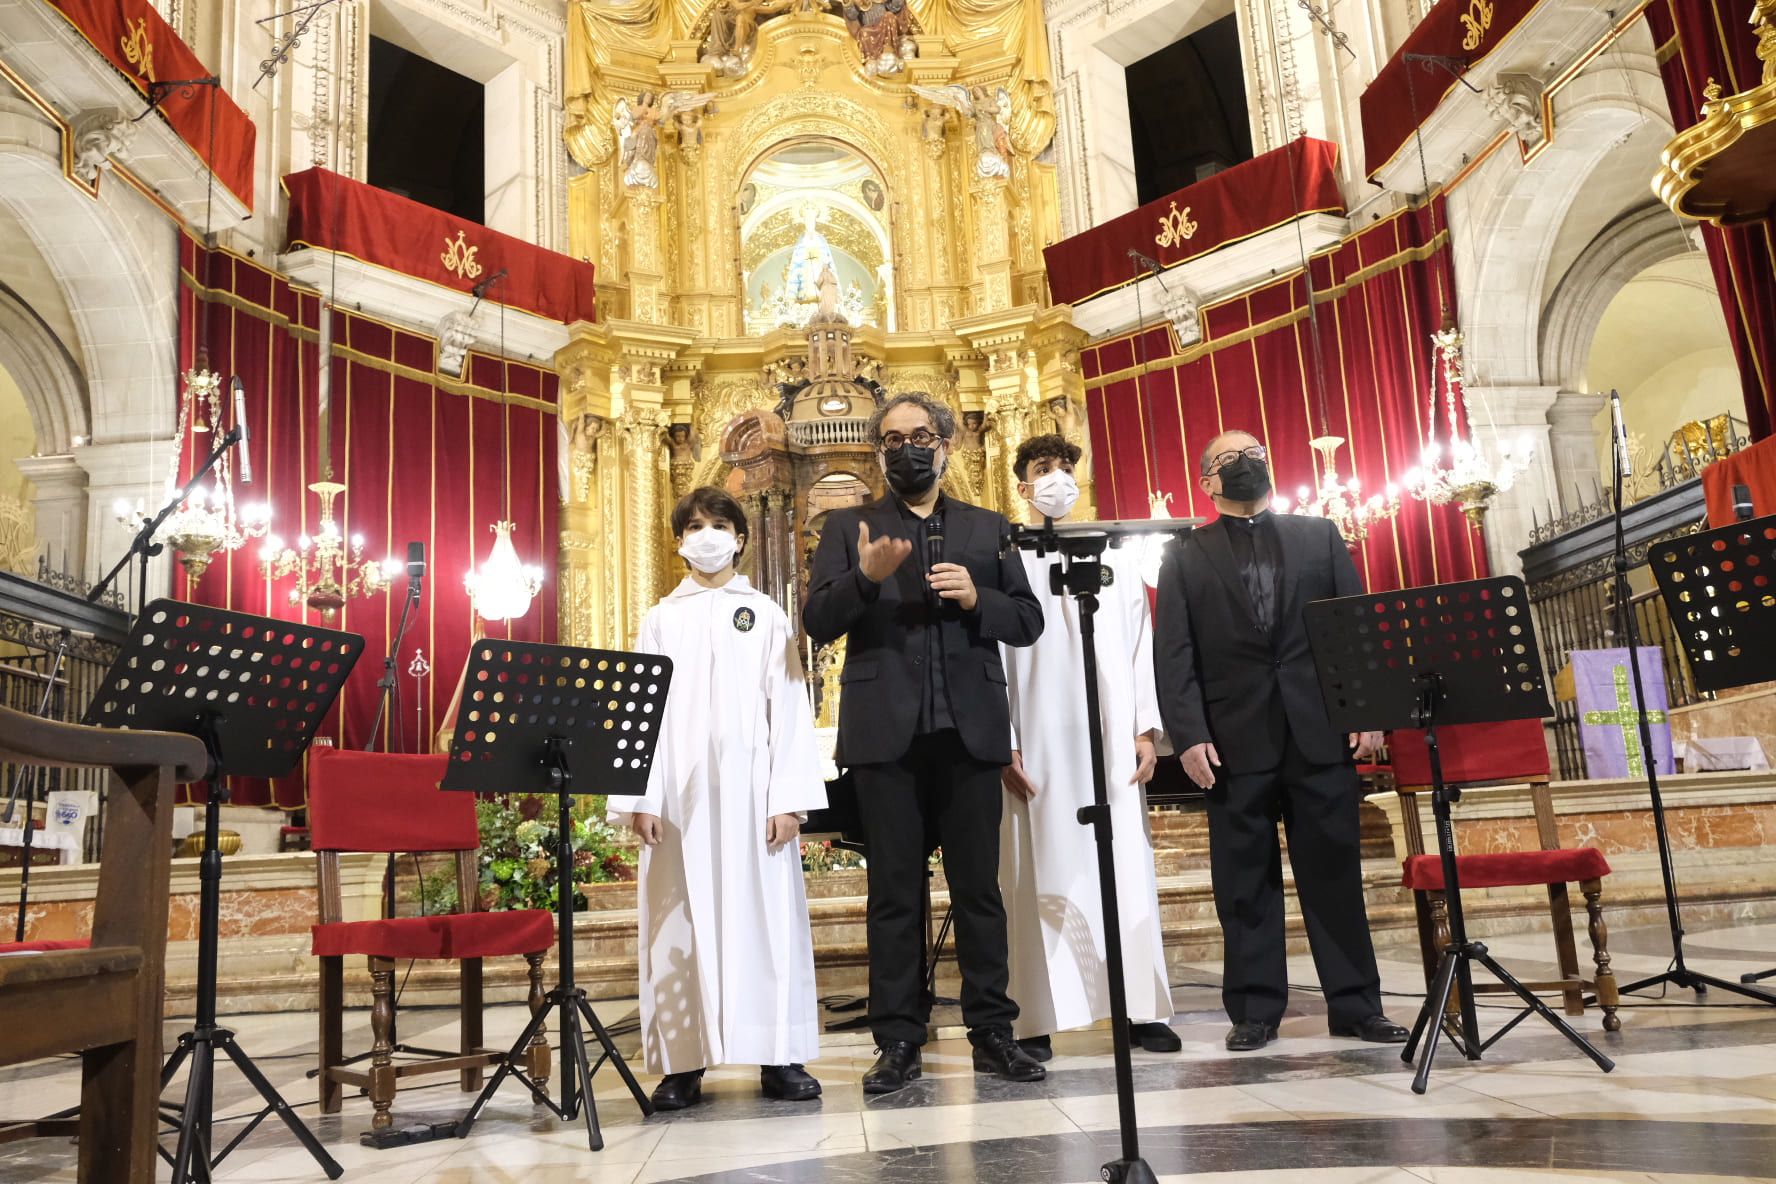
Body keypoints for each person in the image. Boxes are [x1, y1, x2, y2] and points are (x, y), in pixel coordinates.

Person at [803, 393, 1046, 1094]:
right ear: (880, 452)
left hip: (970, 734)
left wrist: (977, 598)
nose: (906, 448)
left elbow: (1027, 621)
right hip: (885, 737)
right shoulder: (849, 525)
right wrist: (864, 579)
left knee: (979, 892)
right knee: (894, 897)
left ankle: (992, 1033)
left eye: (918, 436)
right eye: (892, 439)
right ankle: (899, 1040)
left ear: (944, 446)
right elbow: (819, 620)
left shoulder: (987, 527)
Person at [1152, 430, 1408, 1053]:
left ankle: (1355, 1005)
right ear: (1207, 482)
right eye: (1227, 460)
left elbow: (1355, 626)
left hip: (1319, 729)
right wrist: (1187, 736)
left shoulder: (1318, 534)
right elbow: (1174, 653)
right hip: (1231, 742)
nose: (1245, 463)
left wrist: (1366, 708)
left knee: (1334, 874)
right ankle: (1255, 1010)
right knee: (1243, 883)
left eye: (1255, 452)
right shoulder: (1184, 554)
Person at [609, 486, 827, 1109]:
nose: (707, 535)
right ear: (679, 542)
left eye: (718, 524)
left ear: (739, 537)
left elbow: (788, 709)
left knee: (767, 922)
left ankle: (778, 1055)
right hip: (679, 803)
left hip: (755, 796)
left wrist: (787, 797)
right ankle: (683, 1062)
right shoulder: (660, 618)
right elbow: (638, 714)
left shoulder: (765, 613)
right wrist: (640, 797)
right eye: (695, 526)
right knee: (679, 926)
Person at [998, 434, 1180, 1061]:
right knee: (1033, 869)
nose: (1058, 480)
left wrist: (1143, 729)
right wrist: (1007, 739)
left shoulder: (1116, 559)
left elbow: (1139, 649)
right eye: (1043, 470)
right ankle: (1035, 1017)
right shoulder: (1006, 561)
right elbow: (992, 660)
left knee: (1123, 864)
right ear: (1021, 486)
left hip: (1108, 738)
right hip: (1036, 738)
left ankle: (1137, 1009)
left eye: (1066, 469)